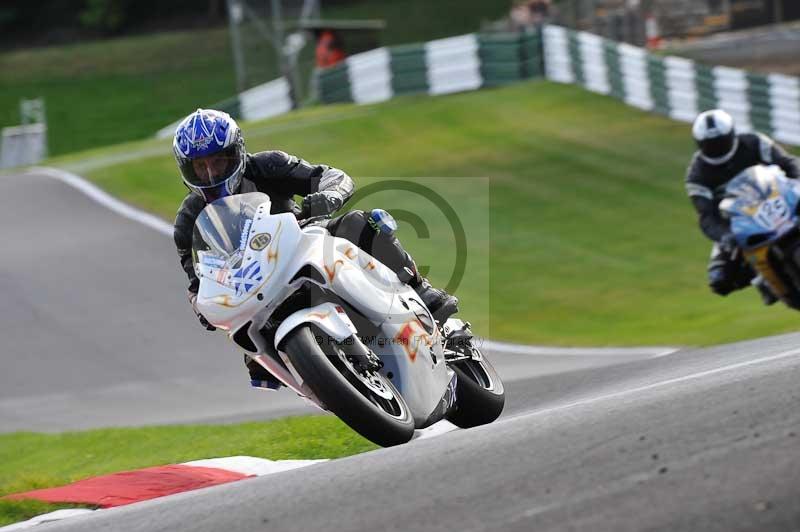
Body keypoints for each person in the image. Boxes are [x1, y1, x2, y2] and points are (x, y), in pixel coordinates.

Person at [171, 109, 458, 383]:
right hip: (255, 286)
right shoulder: (188, 220)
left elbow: (333, 177)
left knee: (361, 223)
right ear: (188, 170)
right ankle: (315, 377)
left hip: (304, 242)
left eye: (218, 161)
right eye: (200, 166)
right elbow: (198, 279)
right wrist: (202, 304)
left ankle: (421, 289)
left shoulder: (269, 165)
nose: (211, 173)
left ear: (237, 153)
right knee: (253, 357)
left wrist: (329, 196)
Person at [686, 109, 800, 303]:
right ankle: (762, 278)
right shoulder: (697, 175)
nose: (717, 147)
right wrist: (725, 236)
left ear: (732, 134)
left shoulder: (755, 142)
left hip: (775, 198)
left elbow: (788, 163)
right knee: (719, 279)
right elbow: (706, 216)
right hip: (738, 222)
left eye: (720, 142)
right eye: (711, 145)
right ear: (700, 144)